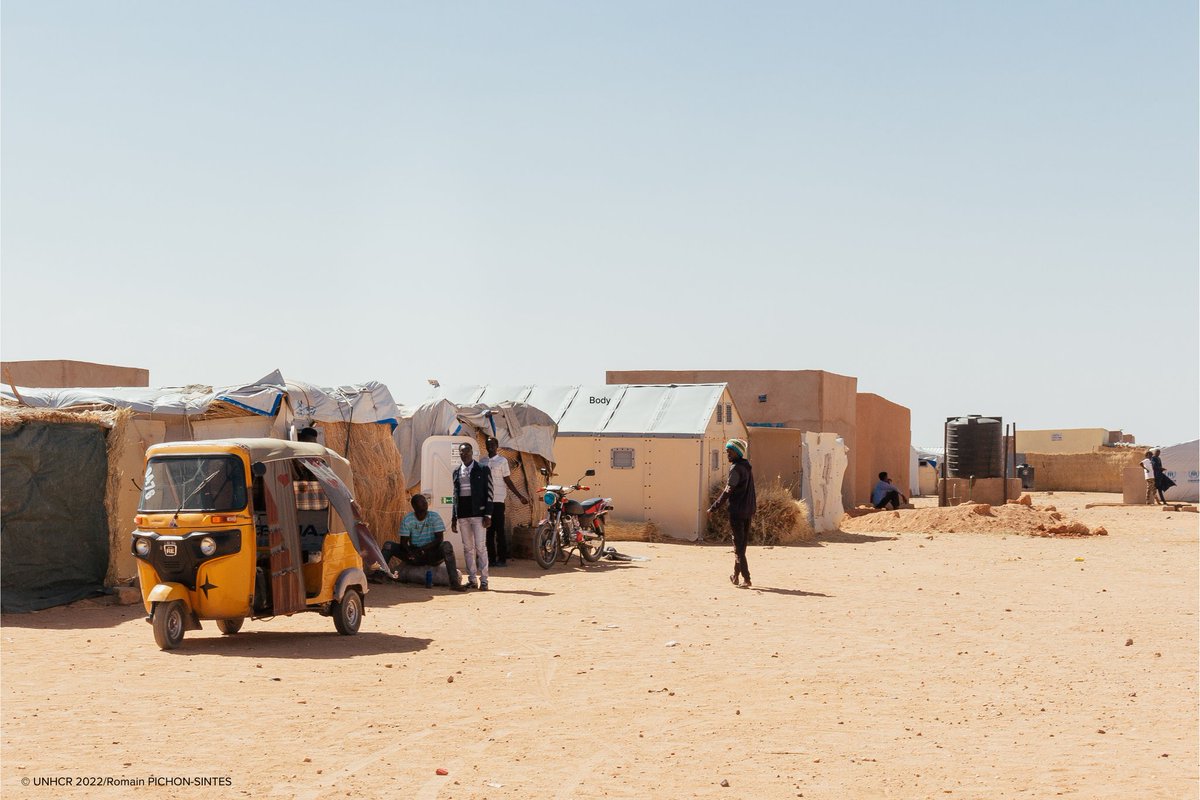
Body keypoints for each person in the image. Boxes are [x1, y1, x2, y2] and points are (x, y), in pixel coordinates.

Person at [381, 494, 466, 591]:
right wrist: (410, 552)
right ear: (415, 506)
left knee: (446, 545)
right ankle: (379, 574)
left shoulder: (434, 517)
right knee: (388, 545)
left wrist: (422, 549)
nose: (425, 503)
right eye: (422, 501)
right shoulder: (408, 519)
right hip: (415, 554)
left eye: (425, 501)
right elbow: (403, 542)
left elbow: (439, 539)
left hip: (432, 554)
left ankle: (454, 582)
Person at [707, 438, 756, 588]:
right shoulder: (746, 466)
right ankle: (735, 575)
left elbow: (728, 491)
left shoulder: (735, 469)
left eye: (730, 451)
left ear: (738, 452)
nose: (727, 454)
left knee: (738, 547)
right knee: (741, 546)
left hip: (737, 512)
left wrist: (714, 507)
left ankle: (746, 579)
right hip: (748, 510)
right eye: (727, 451)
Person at [480, 437, 528, 568]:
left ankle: (502, 559)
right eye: (488, 444)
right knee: (488, 531)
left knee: (499, 530)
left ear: (497, 446)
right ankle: (491, 559)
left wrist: (519, 496)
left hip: (498, 500)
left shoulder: (502, 461)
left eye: (493, 445)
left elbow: (507, 480)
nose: (490, 447)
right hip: (486, 500)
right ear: (485, 446)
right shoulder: (482, 461)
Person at [451, 442, 493, 590]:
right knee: (468, 548)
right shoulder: (456, 471)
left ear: (472, 453)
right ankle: (472, 579)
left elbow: (489, 493)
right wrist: (454, 517)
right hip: (463, 514)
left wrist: (488, 514)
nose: (464, 455)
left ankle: (485, 580)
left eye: (467, 452)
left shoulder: (482, 469)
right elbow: (455, 495)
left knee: (480, 547)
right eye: (462, 452)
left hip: (478, 514)